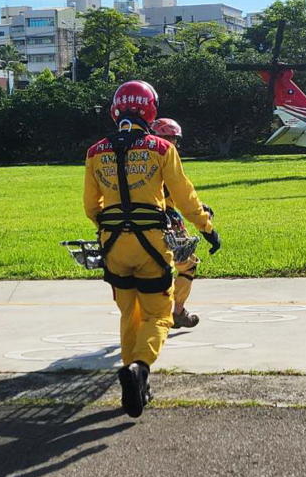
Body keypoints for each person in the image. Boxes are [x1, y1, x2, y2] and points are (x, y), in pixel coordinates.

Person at [84, 81, 221, 418]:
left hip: (113, 245)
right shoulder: (161, 148)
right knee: (159, 315)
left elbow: (91, 206)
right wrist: (207, 227)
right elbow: (185, 197)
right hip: (152, 246)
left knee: (128, 314)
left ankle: (134, 384)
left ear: (116, 109)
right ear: (151, 109)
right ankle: (140, 369)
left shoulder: (94, 151)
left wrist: (111, 228)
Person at [151, 117, 209, 329]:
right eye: (166, 138)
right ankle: (178, 311)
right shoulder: (165, 156)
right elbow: (179, 192)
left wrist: (200, 205)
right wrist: (201, 215)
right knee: (187, 265)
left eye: (173, 138)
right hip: (167, 221)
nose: (170, 142)